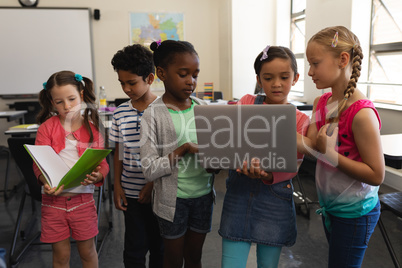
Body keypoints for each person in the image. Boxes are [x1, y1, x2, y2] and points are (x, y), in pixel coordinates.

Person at [218, 45, 310, 268]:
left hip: (274, 199)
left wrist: (269, 175)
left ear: (295, 78)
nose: (276, 84)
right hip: (238, 195)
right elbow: (229, 140)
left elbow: (294, 165)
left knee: (268, 265)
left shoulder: (300, 120)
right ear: (259, 79)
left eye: (284, 77)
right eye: (268, 78)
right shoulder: (247, 102)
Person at [302, 25, 385, 267]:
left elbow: (377, 175)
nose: (309, 72)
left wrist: (331, 156)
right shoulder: (321, 102)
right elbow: (311, 145)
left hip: (355, 212)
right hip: (332, 207)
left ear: (343, 59)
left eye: (315, 63)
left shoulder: (362, 114)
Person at [139, 40, 214, 268]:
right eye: (183, 74)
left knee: (194, 258)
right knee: (172, 260)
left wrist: (217, 161)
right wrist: (183, 149)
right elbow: (150, 169)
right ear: (161, 73)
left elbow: (215, 159)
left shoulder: (205, 108)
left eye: (195, 75)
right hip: (173, 202)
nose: (191, 81)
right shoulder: (152, 115)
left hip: (202, 197)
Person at [34, 70, 109, 268]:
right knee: (60, 256)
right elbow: (38, 164)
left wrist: (98, 175)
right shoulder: (46, 128)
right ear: (51, 102)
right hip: (53, 202)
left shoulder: (93, 129)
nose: (66, 106)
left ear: (82, 96)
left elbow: (102, 164)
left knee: (88, 252)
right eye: (59, 102)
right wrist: (46, 181)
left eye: (72, 99)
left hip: (83, 202)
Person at [109, 44, 164, 267]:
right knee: (134, 248)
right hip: (131, 194)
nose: (126, 89)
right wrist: (117, 186)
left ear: (150, 78)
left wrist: (151, 185)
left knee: (160, 248)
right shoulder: (120, 112)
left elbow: (167, 154)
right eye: (122, 83)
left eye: (131, 83)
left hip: (159, 192)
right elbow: (119, 151)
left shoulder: (164, 109)